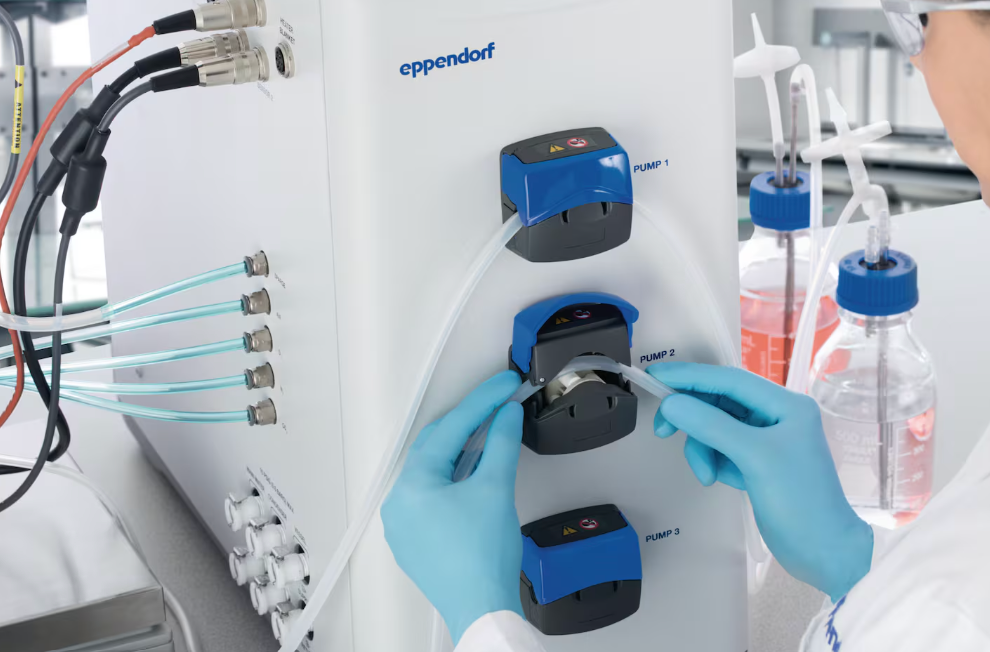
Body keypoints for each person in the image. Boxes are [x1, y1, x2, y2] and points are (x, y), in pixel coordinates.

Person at [381, 2, 990, 650]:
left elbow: (941, 618)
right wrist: (854, 564)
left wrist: (483, 617)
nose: (919, 62)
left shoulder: (951, 614)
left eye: (916, 21)